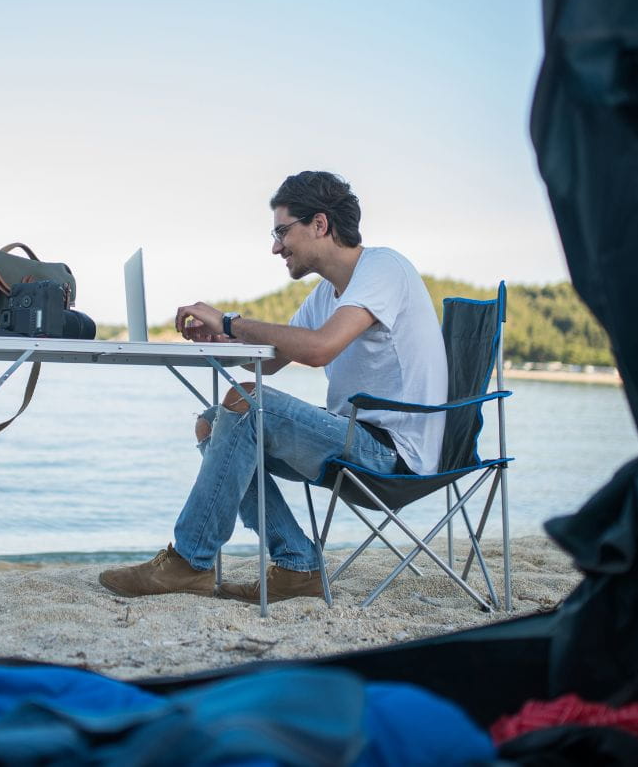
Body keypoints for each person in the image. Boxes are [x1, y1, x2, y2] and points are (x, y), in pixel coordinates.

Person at [98, 171, 448, 603]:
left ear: (320, 224)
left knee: (245, 401)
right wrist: (222, 340)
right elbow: (272, 359)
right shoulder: (328, 293)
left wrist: (231, 320)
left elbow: (319, 349)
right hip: (356, 439)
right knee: (212, 424)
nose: (276, 246)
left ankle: (190, 562)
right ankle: (298, 564)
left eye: (283, 232)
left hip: (394, 456)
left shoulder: (383, 268)